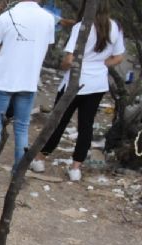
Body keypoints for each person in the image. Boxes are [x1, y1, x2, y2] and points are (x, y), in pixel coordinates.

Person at [0, 0, 55, 188]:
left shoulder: (5, 18)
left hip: (5, 79)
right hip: (29, 80)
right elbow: (46, 46)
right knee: (22, 128)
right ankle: (18, 175)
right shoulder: (48, 19)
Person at [32, 0, 125, 181]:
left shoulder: (82, 26)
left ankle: (40, 158)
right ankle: (76, 167)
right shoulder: (116, 28)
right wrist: (100, 64)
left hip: (75, 82)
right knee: (86, 125)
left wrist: (65, 66)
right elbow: (119, 57)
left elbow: (69, 59)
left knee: (58, 122)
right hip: (97, 83)